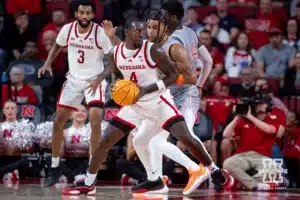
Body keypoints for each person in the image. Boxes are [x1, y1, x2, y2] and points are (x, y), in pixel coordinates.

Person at [61, 19, 230, 196]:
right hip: (134, 104)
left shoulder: (153, 50)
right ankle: (91, 183)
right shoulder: (115, 53)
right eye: (138, 31)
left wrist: (146, 89)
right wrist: (117, 88)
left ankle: (215, 172)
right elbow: (117, 76)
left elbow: (173, 75)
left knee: (186, 138)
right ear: (127, 32)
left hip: (159, 102)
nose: (142, 34)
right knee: (107, 141)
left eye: (143, 31)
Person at [37, 0, 113, 187]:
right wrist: (47, 63)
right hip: (73, 80)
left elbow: (113, 60)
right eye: (82, 13)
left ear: (93, 15)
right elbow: (56, 46)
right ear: (76, 14)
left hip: (94, 80)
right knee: (58, 121)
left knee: (95, 120)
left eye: (88, 13)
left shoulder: (100, 32)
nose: (85, 16)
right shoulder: (67, 29)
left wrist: (101, 77)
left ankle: (92, 168)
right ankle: (55, 167)